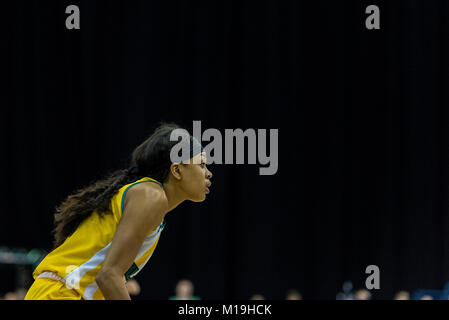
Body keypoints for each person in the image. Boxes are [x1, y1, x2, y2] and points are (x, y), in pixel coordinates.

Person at [24, 123, 213, 300]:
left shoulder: (148, 198)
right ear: (177, 170)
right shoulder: (151, 196)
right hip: (61, 293)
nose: (208, 173)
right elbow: (108, 276)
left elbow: (107, 274)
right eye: (202, 164)